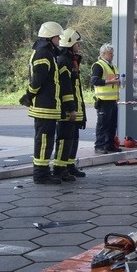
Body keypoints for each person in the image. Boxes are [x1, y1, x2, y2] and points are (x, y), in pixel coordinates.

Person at [20, 21, 64, 184]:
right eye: (57, 37)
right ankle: (40, 174)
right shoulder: (43, 53)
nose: (60, 40)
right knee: (44, 140)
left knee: (46, 140)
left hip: (48, 107)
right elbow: (37, 80)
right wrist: (28, 96)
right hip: (44, 107)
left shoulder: (47, 52)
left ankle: (43, 171)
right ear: (50, 37)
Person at [54, 29, 87, 181]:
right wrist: (71, 109)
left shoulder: (71, 60)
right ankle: (60, 169)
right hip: (67, 110)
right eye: (76, 43)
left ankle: (69, 166)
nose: (78, 45)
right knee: (64, 140)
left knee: (72, 139)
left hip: (74, 109)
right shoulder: (63, 61)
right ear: (69, 43)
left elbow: (76, 89)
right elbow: (65, 88)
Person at [91, 43, 122, 154]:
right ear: (103, 54)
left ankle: (110, 145)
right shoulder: (99, 65)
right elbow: (94, 81)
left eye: (112, 53)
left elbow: (115, 81)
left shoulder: (113, 66)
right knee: (102, 124)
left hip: (113, 99)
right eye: (110, 53)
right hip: (103, 99)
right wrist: (110, 82)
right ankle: (99, 146)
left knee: (112, 124)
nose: (112, 55)